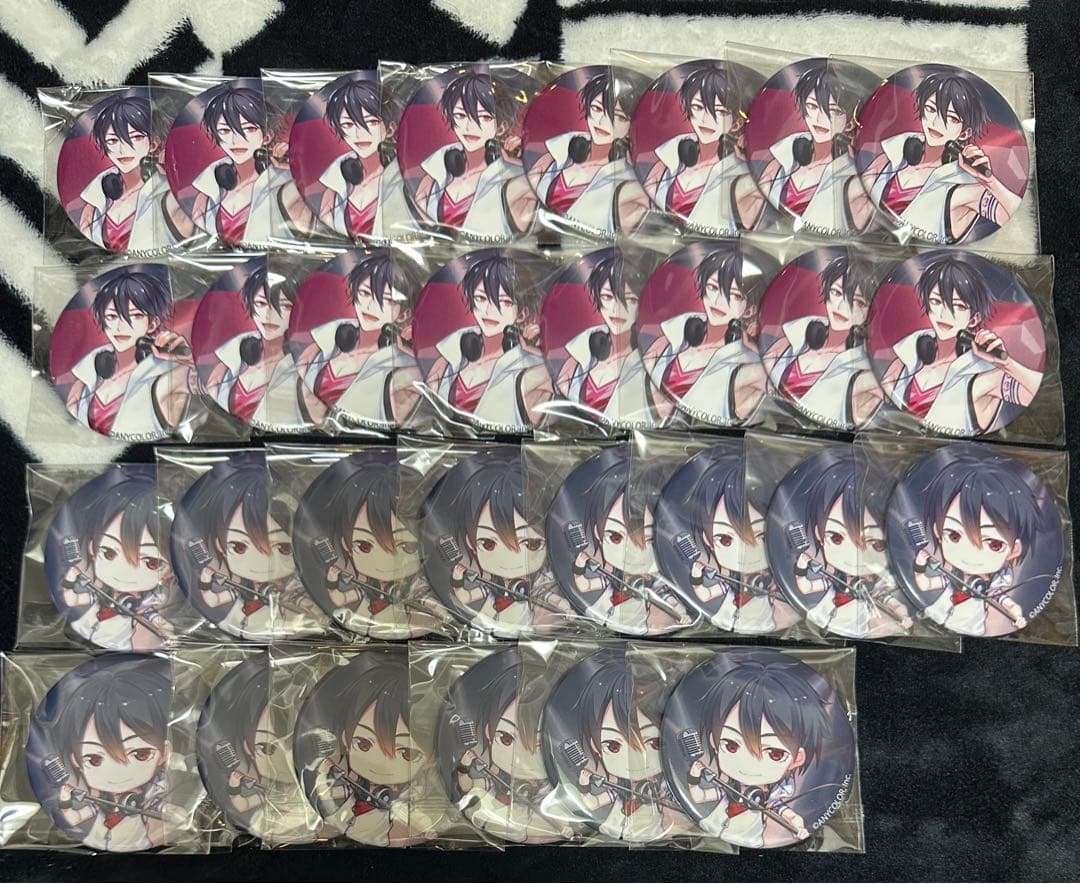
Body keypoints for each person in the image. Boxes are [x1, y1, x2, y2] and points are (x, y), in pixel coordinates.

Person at [849, 71, 1023, 243]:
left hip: (929, 256)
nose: (936, 122)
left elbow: (1014, 212)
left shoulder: (965, 188)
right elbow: (850, 203)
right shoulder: (890, 159)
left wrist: (989, 181)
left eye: (952, 118)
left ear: (965, 133)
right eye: (931, 109)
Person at [880, 254, 1041, 435]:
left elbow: (1036, 390)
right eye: (936, 301)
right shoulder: (906, 360)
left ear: (974, 318)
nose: (945, 313)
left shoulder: (983, 377)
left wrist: (1006, 364)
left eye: (959, 306)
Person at [642, 244, 766, 426]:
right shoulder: (666, 341)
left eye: (735, 295)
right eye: (713, 287)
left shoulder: (748, 365)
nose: (718, 301)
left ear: (749, 309)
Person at [65, 267, 192, 440]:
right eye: (111, 316)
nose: (120, 326)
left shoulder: (167, 375)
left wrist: (188, 358)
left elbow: (205, 383)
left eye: (135, 315)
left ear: (152, 323)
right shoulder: (88, 375)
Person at [762, 252, 882, 429]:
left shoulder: (866, 372)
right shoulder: (789, 342)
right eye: (836, 293)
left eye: (858, 302)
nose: (841, 307)